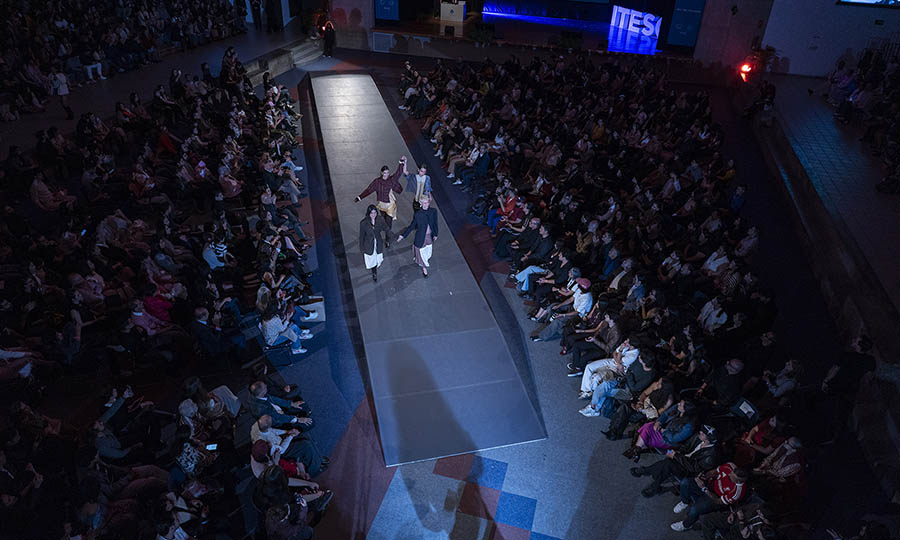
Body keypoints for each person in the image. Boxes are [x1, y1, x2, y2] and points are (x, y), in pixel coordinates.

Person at [355, 158, 405, 247]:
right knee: (383, 222)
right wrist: (359, 197)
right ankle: (381, 234)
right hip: (382, 205)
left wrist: (401, 162)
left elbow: (398, 173)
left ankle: (388, 240)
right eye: (385, 173)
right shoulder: (377, 182)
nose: (386, 174)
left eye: (388, 173)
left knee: (388, 223)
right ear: (382, 173)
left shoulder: (391, 180)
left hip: (390, 205)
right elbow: (369, 190)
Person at [397, 196, 439, 278]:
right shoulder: (418, 214)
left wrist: (435, 234)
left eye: (427, 203)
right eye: (424, 203)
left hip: (429, 237)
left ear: (429, 203)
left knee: (428, 253)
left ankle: (422, 262)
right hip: (420, 238)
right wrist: (403, 235)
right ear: (421, 204)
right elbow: (412, 226)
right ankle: (424, 268)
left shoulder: (433, 211)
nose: (426, 205)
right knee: (421, 253)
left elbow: (435, 224)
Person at [359, 204, 388, 282]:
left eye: (375, 212)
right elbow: (361, 237)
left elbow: (386, 229)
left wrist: (395, 237)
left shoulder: (380, 219)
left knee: (378, 259)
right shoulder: (363, 223)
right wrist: (362, 249)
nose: (373, 215)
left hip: (378, 243)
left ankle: (374, 269)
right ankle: (374, 273)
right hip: (369, 245)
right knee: (372, 260)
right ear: (368, 213)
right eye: (371, 213)